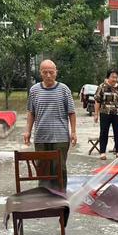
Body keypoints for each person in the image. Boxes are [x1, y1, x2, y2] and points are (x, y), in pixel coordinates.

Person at [24, 59, 76, 191]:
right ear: (40, 73)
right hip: (41, 137)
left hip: (61, 137)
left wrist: (74, 132)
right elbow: (31, 112)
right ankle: (44, 195)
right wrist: (27, 131)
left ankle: (60, 196)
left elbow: (71, 112)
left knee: (59, 169)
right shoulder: (34, 90)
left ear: (56, 72)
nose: (48, 75)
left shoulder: (64, 90)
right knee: (42, 168)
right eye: (45, 72)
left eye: (51, 72)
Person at [94, 69, 118, 160]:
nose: (114, 79)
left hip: (117, 113)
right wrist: (96, 114)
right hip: (105, 112)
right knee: (104, 132)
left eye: (116, 77)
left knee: (117, 132)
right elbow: (97, 101)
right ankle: (102, 152)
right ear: (108, 77)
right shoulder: (102, 86)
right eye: (112, 77)